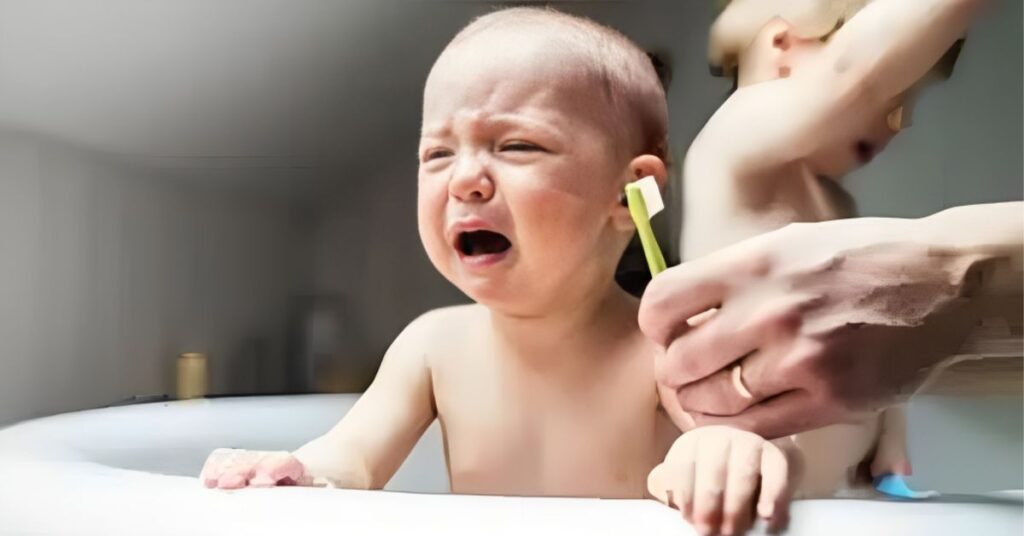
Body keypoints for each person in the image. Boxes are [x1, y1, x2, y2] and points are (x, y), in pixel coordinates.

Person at [200, 8, 797, 536]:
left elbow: (758, 440)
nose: (463, 179)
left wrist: (720, 450)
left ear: (630, 196)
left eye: (516, 146)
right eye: (437, 153)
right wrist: (300, 472)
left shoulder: (667, 349)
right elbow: (351, 460)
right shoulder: (433, 346)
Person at [641, 0, 1020, 442]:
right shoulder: (731, 142)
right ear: (781, 46)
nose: (904, 122)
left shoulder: (834, 201)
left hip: (835, 487)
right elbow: (849, 77)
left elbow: (868, 342)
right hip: (758, 461)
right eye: (894, 94)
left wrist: (888, 435)